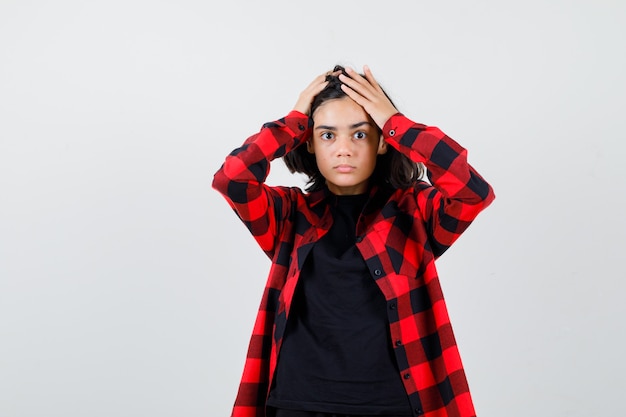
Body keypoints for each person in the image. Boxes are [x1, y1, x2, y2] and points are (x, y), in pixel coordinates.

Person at [213, 65, 495, 417]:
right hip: (296, 402)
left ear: (380, 142)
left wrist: (395, 123)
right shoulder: (290, 215)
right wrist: (294, 122)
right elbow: (232, 179)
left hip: (393, 404)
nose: (343, 149)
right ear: (311, 143)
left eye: (360, 135)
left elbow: (472, 192)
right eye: (327, 135)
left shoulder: (414, 213)